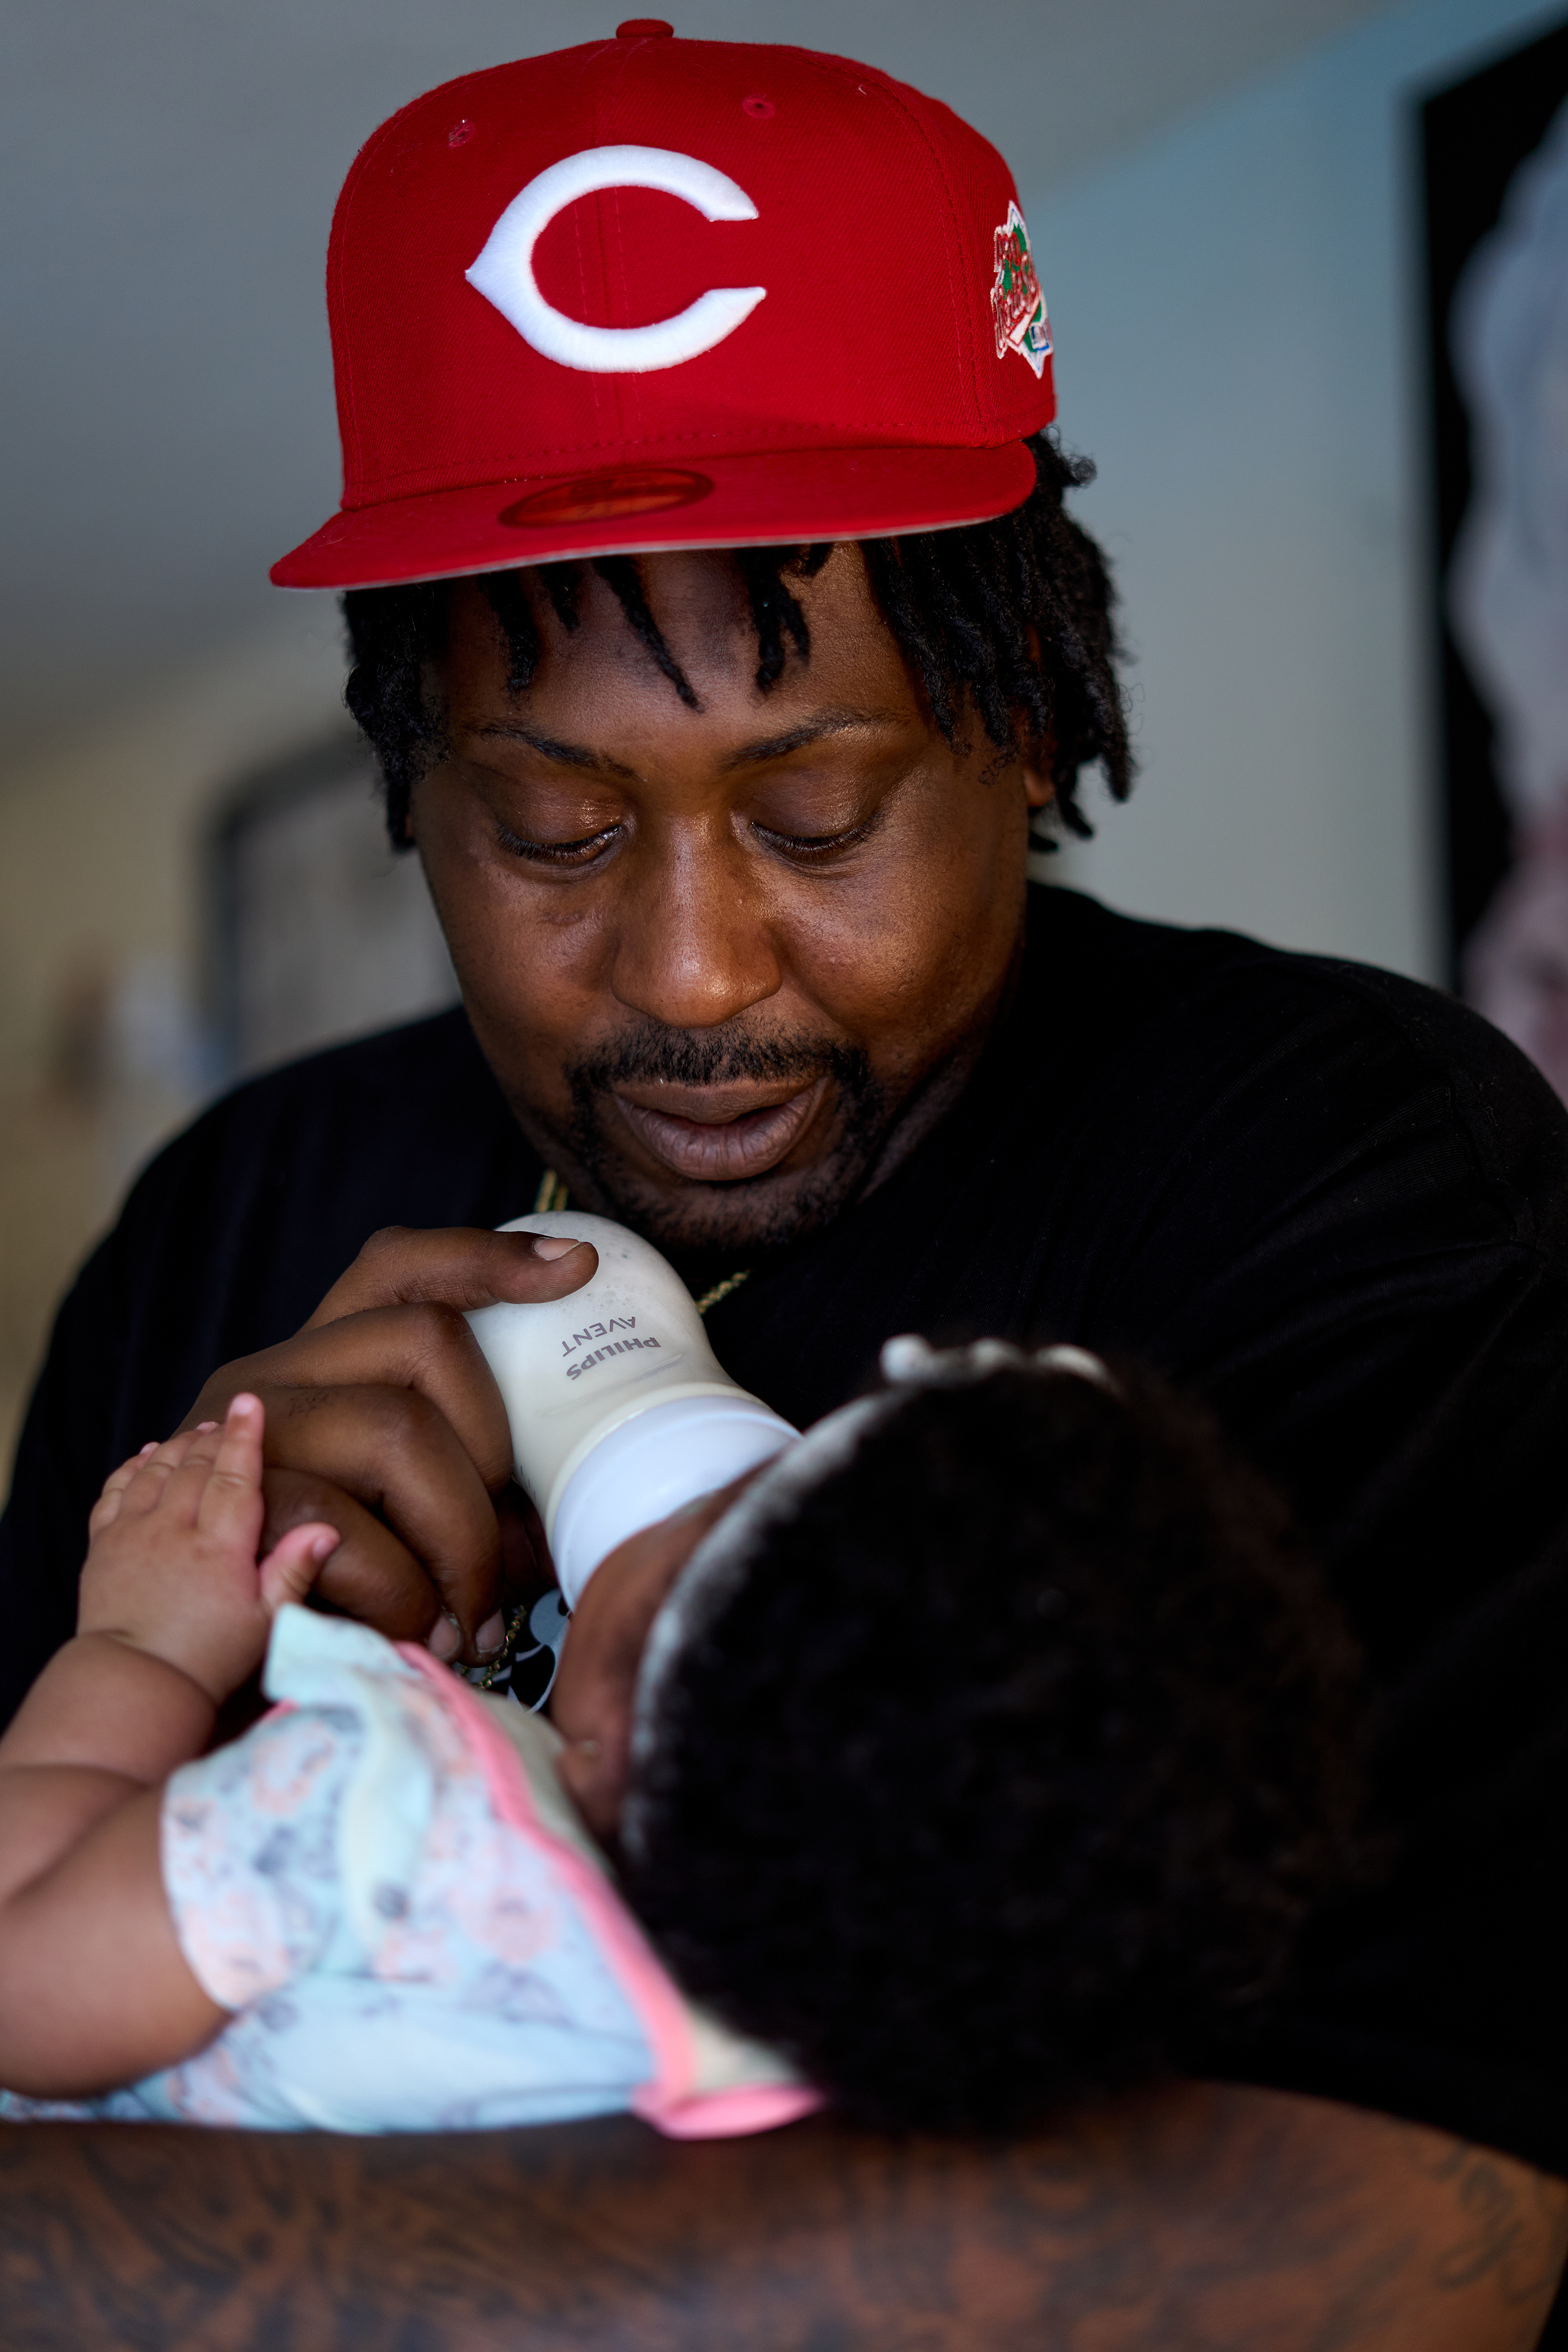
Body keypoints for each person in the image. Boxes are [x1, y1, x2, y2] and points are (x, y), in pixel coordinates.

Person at [2, 23, 1565, 2343]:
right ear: (405, 781)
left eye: (815, 816)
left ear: (1020, 723)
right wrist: (191, 1634)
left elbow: (1386, 2249)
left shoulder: (1355, 1173)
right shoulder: (237, 1212)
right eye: (550, 826)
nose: (691, 967)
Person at [0, 1344, 1357, 2137]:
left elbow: (19, 1971)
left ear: (618, 1710)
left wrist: (145, 1646)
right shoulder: (804, 2030)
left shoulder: (372, 1816)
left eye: (720, 1499)